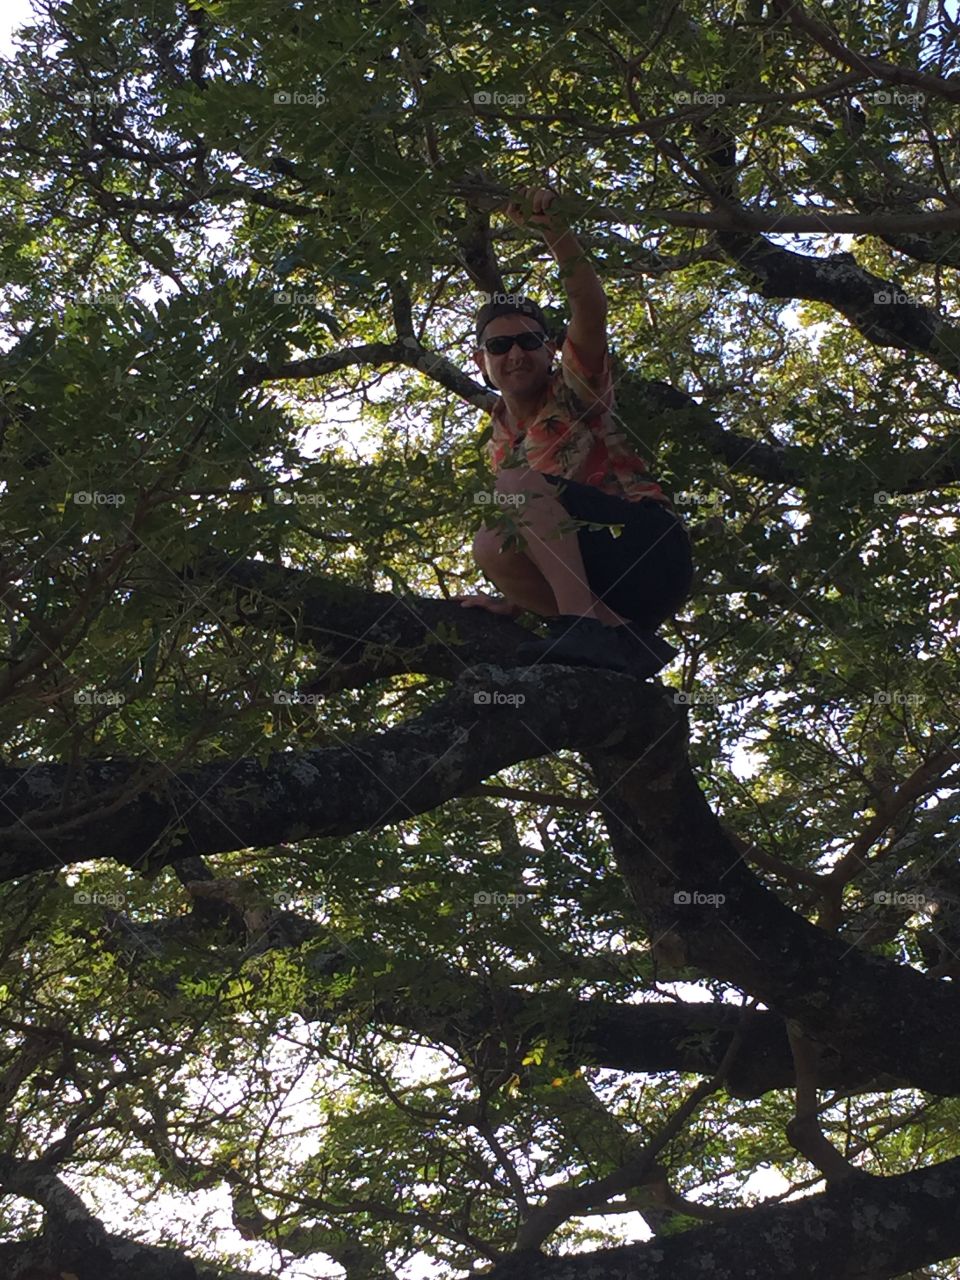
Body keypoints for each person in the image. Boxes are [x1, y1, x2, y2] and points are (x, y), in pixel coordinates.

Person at [455, 185, 693, 676]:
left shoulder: (574, 390)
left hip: (649, 548)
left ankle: (582, 624)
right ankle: (619, 639)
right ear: (481, 362)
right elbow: (540, 527)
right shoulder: (501, 439)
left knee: (511, 491)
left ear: (550, 350)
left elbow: (590, 306)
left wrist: (555, 233)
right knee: (490, 544)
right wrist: (514, 599)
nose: (515, 354)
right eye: (500, 347)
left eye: (528, 341)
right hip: (607, 581)